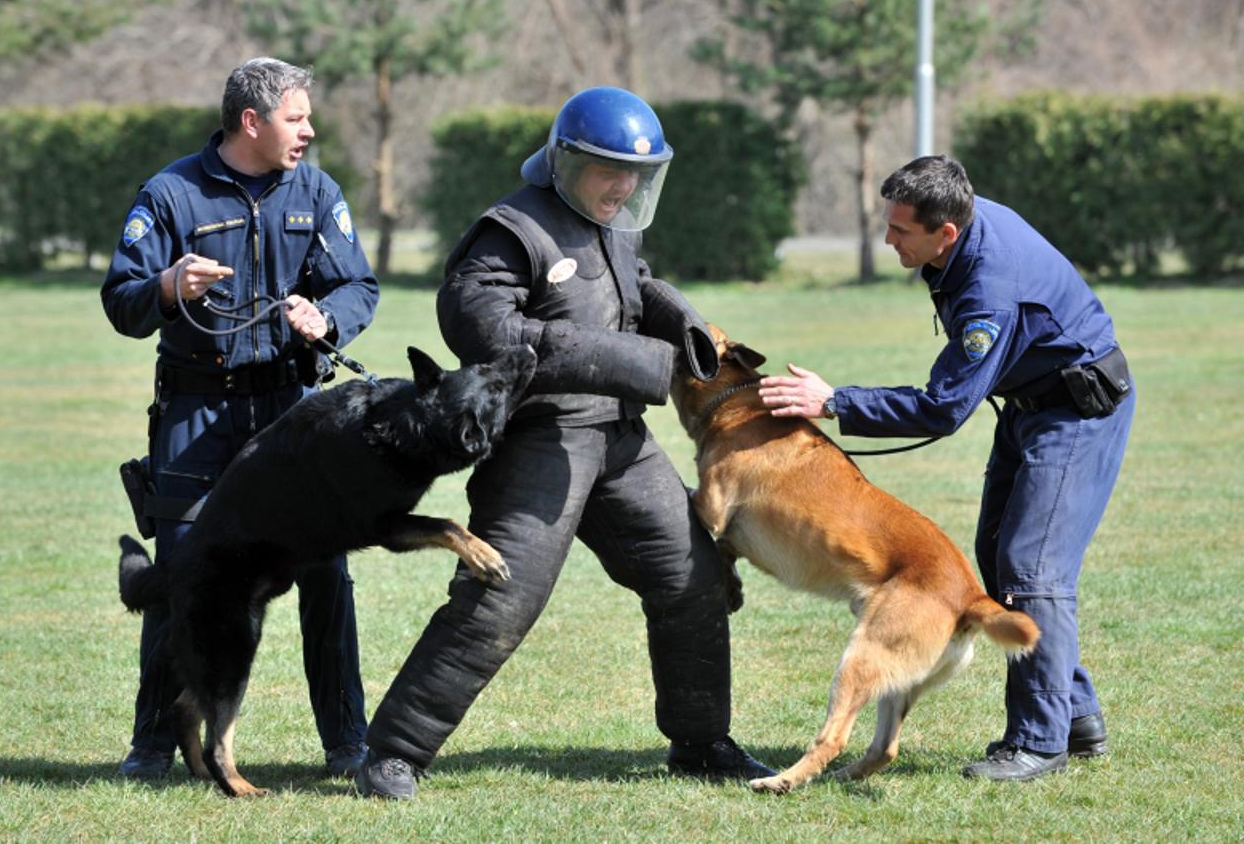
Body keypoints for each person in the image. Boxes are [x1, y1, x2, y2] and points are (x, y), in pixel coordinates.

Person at [355, 86, 773, 800]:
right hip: (539, 441)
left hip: (620, 440)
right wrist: (638, 361)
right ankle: (392, 752)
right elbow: (489, 333)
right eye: (609, 169)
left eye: (636, 173)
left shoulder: (613, 221)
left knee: (694, 578)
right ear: (564, 159)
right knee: (499, 598)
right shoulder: (509, 231)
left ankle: (702, 742)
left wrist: (686, 323)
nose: (625, 185)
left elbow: (634, 286)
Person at [757, 155, 1134, 782]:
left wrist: (835, 401)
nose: (888, 239)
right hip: (1031, 405)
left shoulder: (990, 287)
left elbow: (943, 406)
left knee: (1030, 566)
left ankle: (1039, 743)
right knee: (997, 554)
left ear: (946, 232)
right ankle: (1074, 716)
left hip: (1077, 413)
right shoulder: (961, 229)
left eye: (901, 231)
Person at [102, 57, 379, 780]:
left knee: (326, 573)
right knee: (185, 571)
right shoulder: (169, 194)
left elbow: (358, 284)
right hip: (198, 407)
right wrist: (167, 284)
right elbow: (121, 299)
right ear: (251, 122)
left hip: (289, 410)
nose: (310, 131)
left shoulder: (315, 192)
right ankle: (153, 746)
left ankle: (349, 743)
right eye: (297, 117)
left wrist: (327, 317)